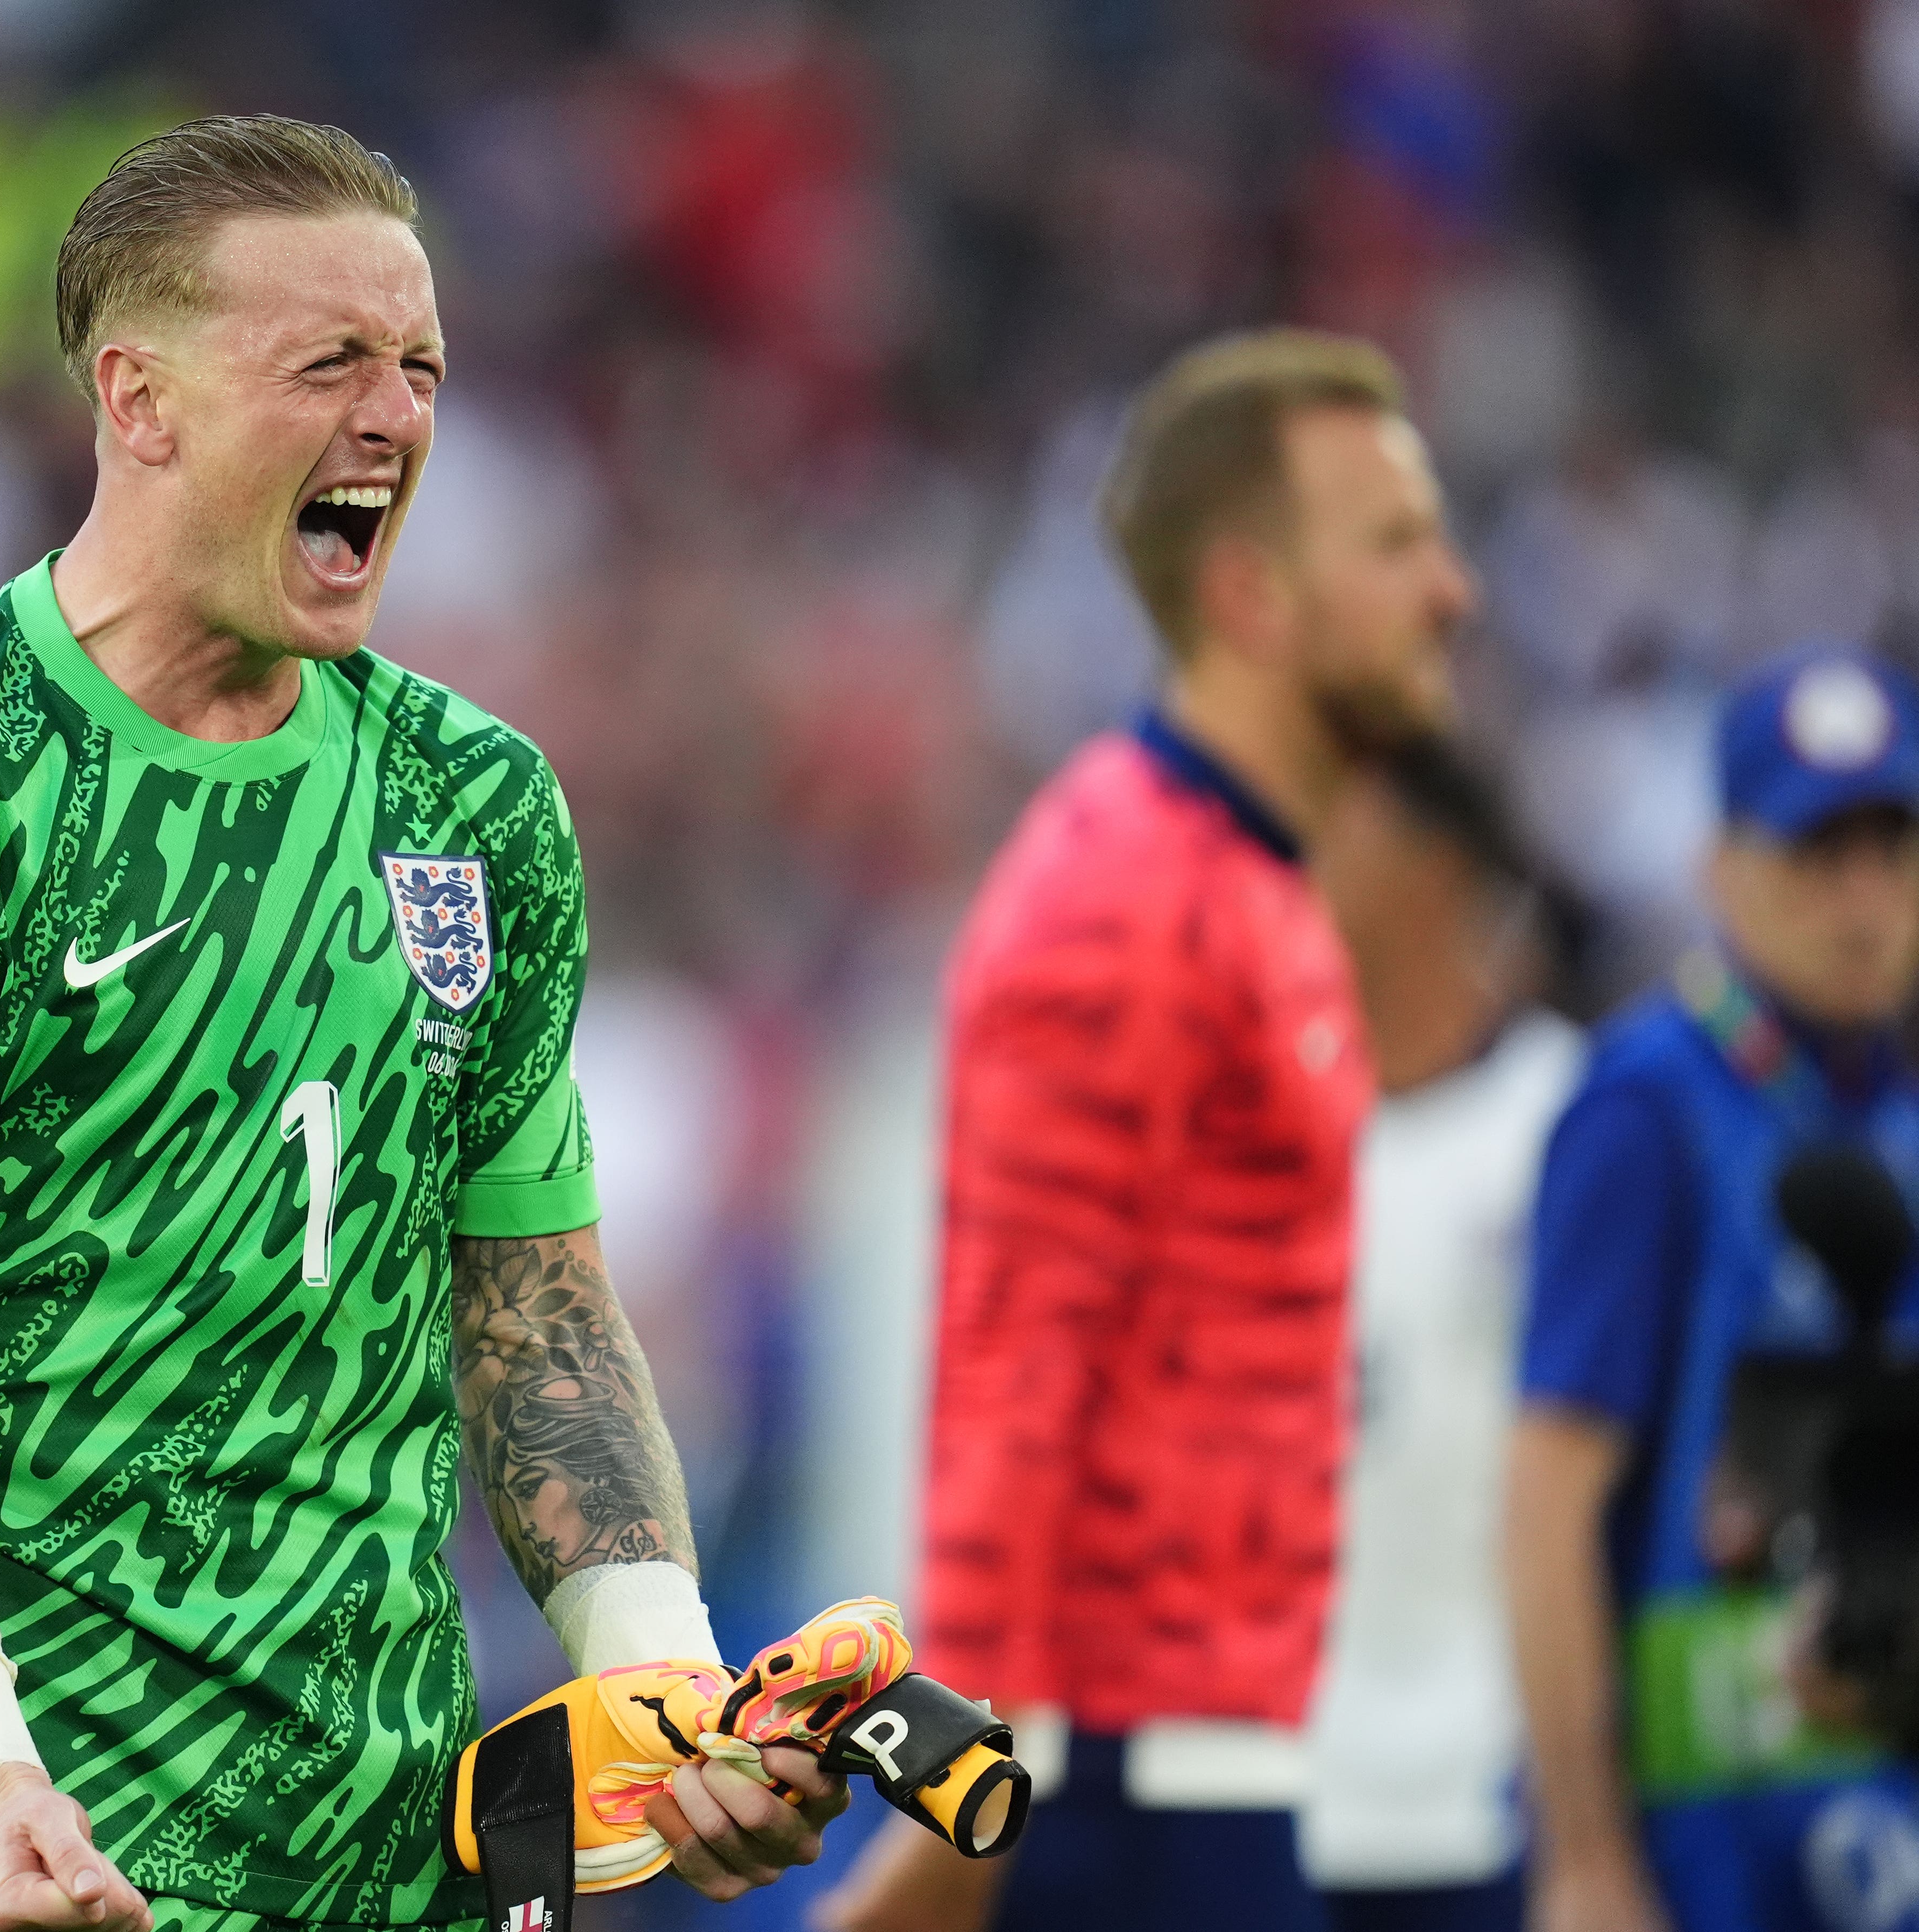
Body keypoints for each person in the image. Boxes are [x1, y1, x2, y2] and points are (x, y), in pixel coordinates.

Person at [0, 118, 844, 1932]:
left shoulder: (470, 801)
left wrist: (661, 1677)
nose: (393, 417)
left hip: (383, 1849)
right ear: (137, 401)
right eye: (327, 361)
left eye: (418, 368)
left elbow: (533, 1301)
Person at [814, 326, 1474, 1932]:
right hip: (1121, 1791)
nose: (1448, 590)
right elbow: (1011, 1370)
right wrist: (957, 1794)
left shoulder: (1246, 880)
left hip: (1221, 1757)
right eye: (1391, 544)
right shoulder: (1119, 898)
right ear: (1250, 595)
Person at [1509, 645, 1919, 1932]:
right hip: (1713, 1831)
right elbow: (1548, 1500)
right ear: (1722, 870)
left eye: (1892, 850)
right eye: (1818, 855)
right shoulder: (1648, 1111)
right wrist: (1584, 1858)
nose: (1864, 900)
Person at [1302, 744, 1584, 1932]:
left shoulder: (1569, 1120)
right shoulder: (1235, 1148)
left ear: (1435, 860)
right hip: (1292, 1801)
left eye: (1330, 813)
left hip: (1498, 1802)